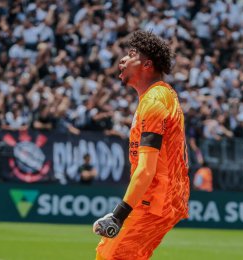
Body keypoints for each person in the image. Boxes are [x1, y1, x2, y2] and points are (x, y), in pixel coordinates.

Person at [93, 31, 190, 260]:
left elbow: (146, 169)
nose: (122, 60)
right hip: (160, 198)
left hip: (156, 200)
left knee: (113, 256)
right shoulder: (160, 96)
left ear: (147, 64)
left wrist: (119, 215)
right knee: (112, 253)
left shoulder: (154, 102)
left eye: (131, 55)